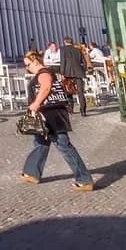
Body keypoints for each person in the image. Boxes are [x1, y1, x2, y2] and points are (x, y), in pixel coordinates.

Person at [20, 50, 94, 190]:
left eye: (28, 65)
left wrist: (36, 104)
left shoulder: (44, 73)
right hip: (47, 114)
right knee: (41, 142)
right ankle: (31, 173)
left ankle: (84, 180)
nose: (27, 68)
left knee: (64, 146)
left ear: (36, 62)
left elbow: (46, 87)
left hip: (52, 115)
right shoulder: (43, 72)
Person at [60, 36, 87, 117]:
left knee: (69, 90)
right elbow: (84, 62)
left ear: (65, 42)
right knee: (80, 92)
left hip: (68, 73)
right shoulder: (78, 50)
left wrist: (62, 73)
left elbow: (63, 62)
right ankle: (83, 111)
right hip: (79, 72)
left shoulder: (63, 50)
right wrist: (83, 70)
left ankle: (71, 108)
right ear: (71, 42)